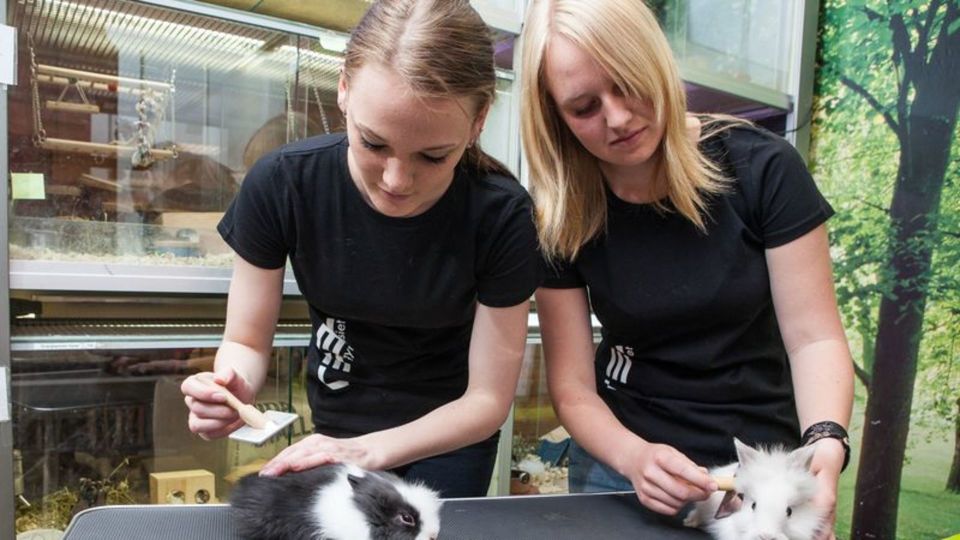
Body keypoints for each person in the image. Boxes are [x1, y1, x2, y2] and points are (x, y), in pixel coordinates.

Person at [519, 0, 854, 537]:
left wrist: (827, 438)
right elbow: (575, 388)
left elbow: (814, 339)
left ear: (656, 62)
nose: (619, 118)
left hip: (764, 484)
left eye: (629, 83)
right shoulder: (559, 213)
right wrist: (632, 457)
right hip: (621, 475)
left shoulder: (762, 169)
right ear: (553, 116)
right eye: (584, 107)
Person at [181, 0, 541, 498]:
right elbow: (244, 341)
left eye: (434, 156)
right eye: (373, 144)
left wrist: (370, 452)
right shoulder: (284, 183)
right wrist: (230, 386)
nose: (397, 181)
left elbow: (486, 400)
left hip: (450, 439)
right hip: (333, 425)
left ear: (479, 121)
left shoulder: (501, 215)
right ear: (344, 91)